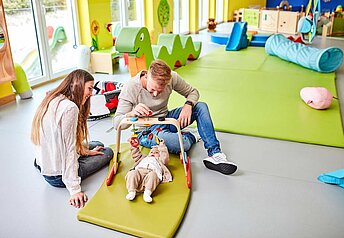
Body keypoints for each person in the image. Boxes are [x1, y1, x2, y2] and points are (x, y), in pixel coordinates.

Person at [113, 59, 237, 175]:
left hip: (166, 119)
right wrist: (131, 113)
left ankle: (215, 154)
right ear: (147, 76)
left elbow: (193, 92)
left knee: (200, 107)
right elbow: (117, 123)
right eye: (152, 90)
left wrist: (188, 105)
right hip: (146, 131)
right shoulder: (131, 87)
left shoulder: (172, 78)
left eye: (160, 91)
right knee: (182, 144)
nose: (155, 94)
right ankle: (190, 136)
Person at [31, 69, 114, 208]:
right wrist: (75, 190)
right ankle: (71, 173)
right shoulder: (70, 108)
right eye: (89, 88)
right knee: (107, 152)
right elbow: (69, 149)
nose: (91, 93)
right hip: (58, 176)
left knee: (97, 144)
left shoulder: (53, 98)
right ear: (78, 85)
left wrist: (84, 151)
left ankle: (82, 153)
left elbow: (63, 141)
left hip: (45, 163)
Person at [125, 138, 172, 203]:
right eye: (151, 152)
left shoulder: (160, 160)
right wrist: (134, 146)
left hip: (151, 173)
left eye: (156, 153)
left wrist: (161, 146)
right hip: (139, 172)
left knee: (153, 175)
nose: (153, 153)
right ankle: (131, 191)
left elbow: (165, 157)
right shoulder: (144, 158)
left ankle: (147, 193)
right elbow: (136, 154)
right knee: (132, 173)